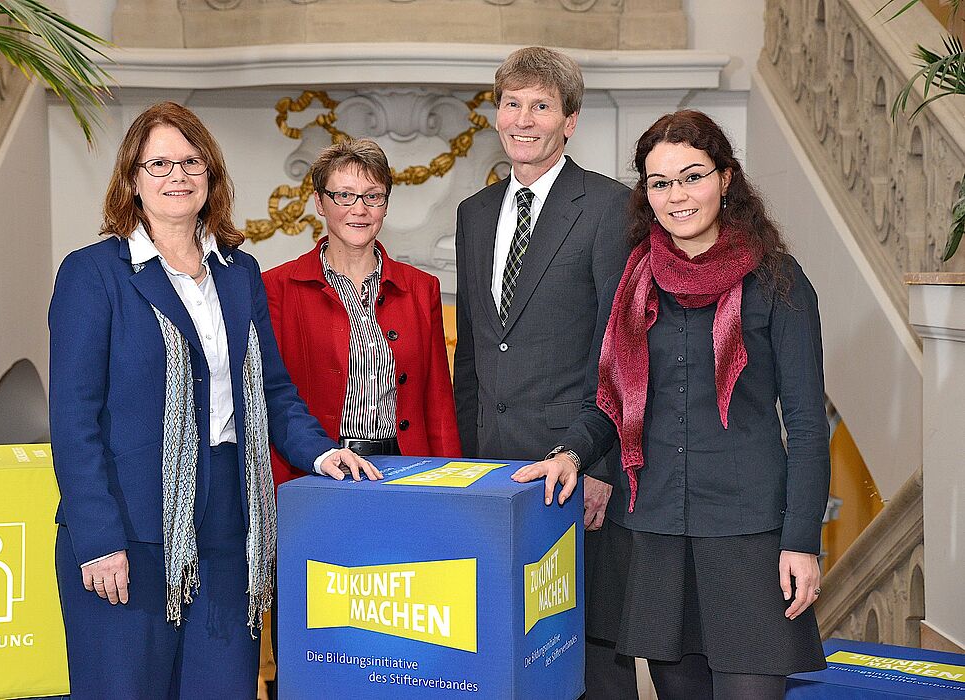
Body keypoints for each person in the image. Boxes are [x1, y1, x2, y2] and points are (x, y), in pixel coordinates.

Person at [48, 101, 380, 699]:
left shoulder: (239, 271)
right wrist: (98, 541)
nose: (178, 175)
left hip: (230, 530)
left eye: (191, 161)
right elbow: (74, 424)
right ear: (131, 180)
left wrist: (323, 454)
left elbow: (273, 391)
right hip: (130, 534)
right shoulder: (92, 274)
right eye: (159, 164)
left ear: (211, 174)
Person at [513, 109, 829, 699]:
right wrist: (570, 455)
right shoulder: (634, 278)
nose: (678, 196)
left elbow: (809, 426)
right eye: (661, 183)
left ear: (726, 179)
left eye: (692, 176)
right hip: (654, 538)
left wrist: (802, 541)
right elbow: (610, 401)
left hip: (749, 539)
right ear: (646, 194)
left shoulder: (779, 281)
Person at [452, 46, 637, 697]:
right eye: (512, 103)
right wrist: (462, 462)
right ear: (495, 113)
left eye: (541, 105)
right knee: (500, 654)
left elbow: (620, 350)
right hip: (490, 476)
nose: (523, 119)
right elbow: (472, 354)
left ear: (570, 120)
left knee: (586, 660)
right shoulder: (474, 214)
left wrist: (600, 467)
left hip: (574, 474)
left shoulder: (612, 208)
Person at [262, 137, 461, 479]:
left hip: (407, 470)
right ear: (320, 203)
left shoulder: (421, 288)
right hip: (315, 473)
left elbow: (438, 404)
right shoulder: (276, 287)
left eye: (373, 196)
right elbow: (271, 398)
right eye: (344, 195)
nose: (359, 209)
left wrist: (453, 483)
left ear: (385, 205)